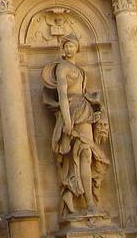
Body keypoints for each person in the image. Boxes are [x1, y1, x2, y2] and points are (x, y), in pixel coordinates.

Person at [42, 34, 110, 216]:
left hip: (83, 110)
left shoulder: (79, 69)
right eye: (66, 46)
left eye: (71, 45)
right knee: (82, 155)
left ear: (77, 47)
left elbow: (83, 92)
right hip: (72, 111)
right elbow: (63, 95)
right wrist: (67, 121)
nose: (69, 49)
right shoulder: (62, 68)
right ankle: (87, 202)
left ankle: (89, 201)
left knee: (87, 155)